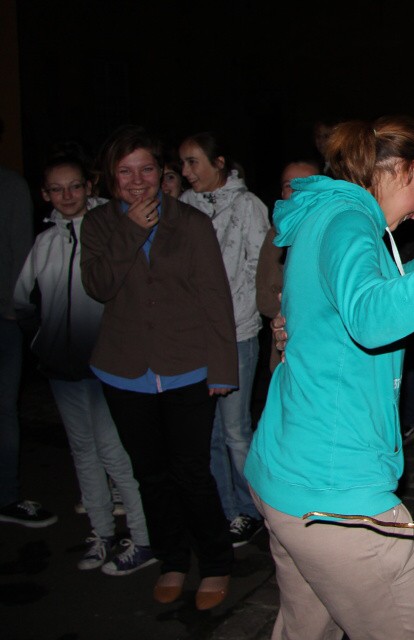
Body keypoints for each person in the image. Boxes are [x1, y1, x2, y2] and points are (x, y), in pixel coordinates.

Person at [244, 116, 414, 640]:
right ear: (406, 170)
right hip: (335, 493)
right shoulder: (350, 219)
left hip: (288, 475)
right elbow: (370, 317)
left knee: (306, 630)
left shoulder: (324, 211)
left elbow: (347, 303)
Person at [80, 125, 237, 609]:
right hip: (125, 370)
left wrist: (223, 369)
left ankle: (216, 563)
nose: (137, 181)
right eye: (125, 171)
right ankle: (172, 559)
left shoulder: (190, 223)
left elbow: (215, 298)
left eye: (146, 169)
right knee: (150, 475)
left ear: (161, 171)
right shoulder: (99, 224)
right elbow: (98, 285)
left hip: (187, 367)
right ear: (111, 176)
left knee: (191, 472)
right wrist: (131, 230)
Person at [14, 153, 153, 574]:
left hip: (106, 366)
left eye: (74, 186)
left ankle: (144, 538)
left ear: (89, 186)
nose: (67, 195)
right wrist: (45, 341)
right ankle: (102, 532)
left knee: (115, 452)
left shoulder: (109, 229)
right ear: (45, 195)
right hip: (63, 369)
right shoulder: (46, 243)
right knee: (83, 451)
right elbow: (23, 299)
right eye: (56, 189)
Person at [179, 132, 270, 548]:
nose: (186, 171)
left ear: (218, 163)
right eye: (182, 162)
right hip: (194, 337)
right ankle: (226, 508)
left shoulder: (248, 206)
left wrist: (236, 318)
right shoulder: (184, 205)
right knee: (210, 432)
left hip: (235, 334)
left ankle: (255, 509)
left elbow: (258, 268)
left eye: (193, 162)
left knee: (235, 430)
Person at [0, 117, 58, 528]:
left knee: (4, 411)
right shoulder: (10, 186)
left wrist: (19, 314)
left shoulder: (10, 186)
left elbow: (22, 260)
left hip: (4, 318)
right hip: (6, 318)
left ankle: (7, 495)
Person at [256, 160, 320, 373]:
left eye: (304, 185)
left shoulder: (336, 232)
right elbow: (264, 296)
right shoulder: (276, 236)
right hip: (285, 347)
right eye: (288, 185)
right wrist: (288, 314)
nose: (295, 192)